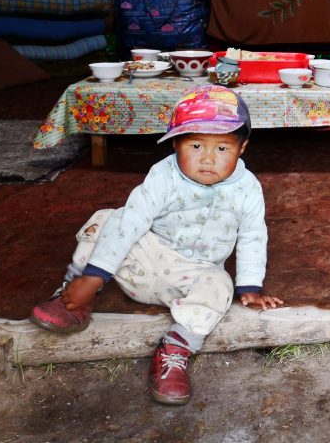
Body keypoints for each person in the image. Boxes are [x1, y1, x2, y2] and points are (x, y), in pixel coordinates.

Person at [28, 85, 282, 405]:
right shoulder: (163, 175)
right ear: (176, 144)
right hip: (141, 263)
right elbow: (130, 224)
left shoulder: (248, 188)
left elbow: (253, 235)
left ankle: (175, 350)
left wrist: (250, 286)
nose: (207, 158)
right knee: (110, 218)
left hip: (190, 277)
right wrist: (92, 279)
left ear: (242, 148)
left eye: (222, 149)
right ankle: (73, 296)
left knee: (220, 285)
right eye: (195, 145)